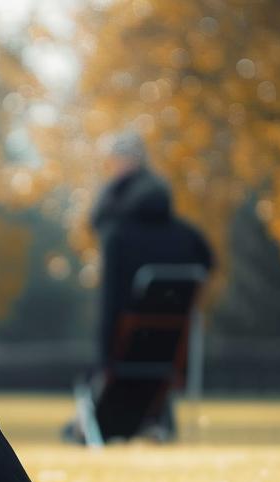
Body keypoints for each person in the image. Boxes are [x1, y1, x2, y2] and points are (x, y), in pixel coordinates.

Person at [67, 132, 213, 443]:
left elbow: (111, 302)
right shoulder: (188, 237)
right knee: (148, 360)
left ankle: (89, 429)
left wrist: (103, 359)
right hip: (169, 353)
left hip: (124, 351)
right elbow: (208, 260)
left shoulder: (118, 237)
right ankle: (157, 423)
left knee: (111, 372)